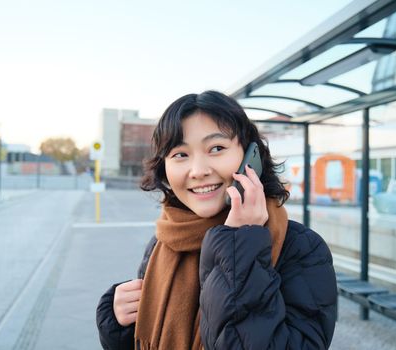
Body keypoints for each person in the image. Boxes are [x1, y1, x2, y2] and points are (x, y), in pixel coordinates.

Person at [96, 90, 337, 350]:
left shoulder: (302, 248)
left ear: (250, 156)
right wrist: (119, 324)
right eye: (180, 154)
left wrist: (240, 245)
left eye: (217, 148)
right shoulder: (164, 242)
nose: (198, 171)